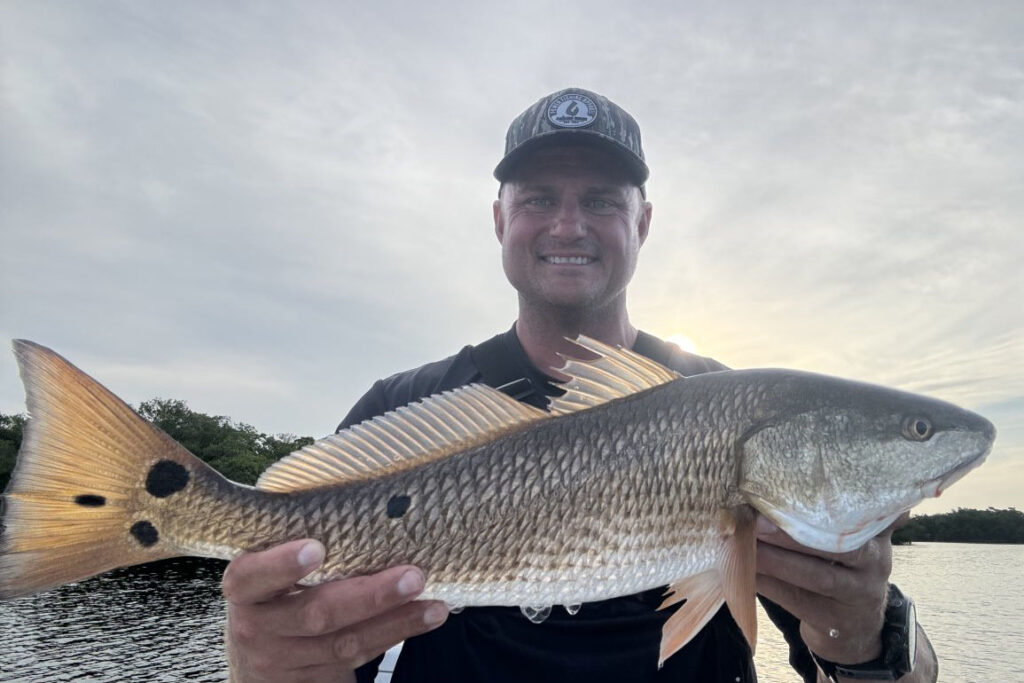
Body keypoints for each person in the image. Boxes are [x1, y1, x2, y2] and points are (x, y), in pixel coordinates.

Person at [222, 88, 938, 682]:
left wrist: (869, 633)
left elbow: (915, 674)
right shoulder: (401, 408)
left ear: (643, 223)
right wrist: (266, 666)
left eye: (601, 200)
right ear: (499, 218)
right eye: (538, 198)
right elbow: (318, 651)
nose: (569, 224)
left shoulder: (731, 412)